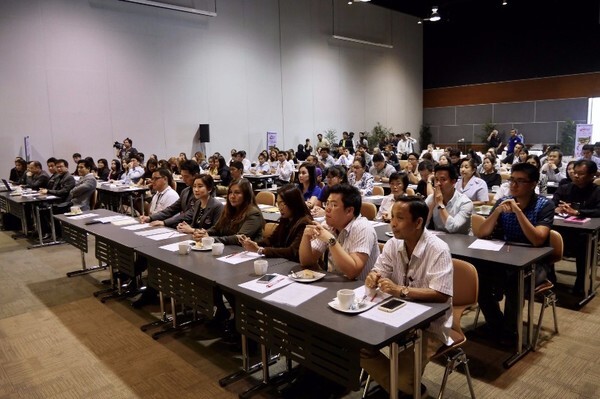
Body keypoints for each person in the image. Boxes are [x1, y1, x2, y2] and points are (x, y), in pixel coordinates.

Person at [361, 197, 453, 397]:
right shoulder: (394, 243)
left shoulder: (438, 249)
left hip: (429, 326)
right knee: (358, 348)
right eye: (392, 216)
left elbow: (441, 294)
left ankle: (408, 391)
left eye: (400, 218)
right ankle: (407, 391)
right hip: (393, 315)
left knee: (402, 379)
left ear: (418, 222)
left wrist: (401, 290)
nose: (393, 223)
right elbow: (380, 269)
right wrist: (373, 276)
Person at [476, 162, 554, 339]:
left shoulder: (544, 205)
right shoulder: (503, 202)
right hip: (507, 259)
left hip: (536, 264)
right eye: (512, 180)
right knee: (479, 278)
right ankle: (495, 323)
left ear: (533, 184)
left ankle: (510, 332)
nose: (513, 185)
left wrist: (518, 212)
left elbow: (537, 240)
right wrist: (496, 213)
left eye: (520, 181)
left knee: (515, 283)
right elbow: (482, 233)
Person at [299, 184, 379, 281]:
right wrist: (306, 236)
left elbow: (352, 272)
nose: (327, 209)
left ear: (349, 210)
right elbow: (307, 262)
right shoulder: (328, 225)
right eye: (327, 203)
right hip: (335, 286)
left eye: (333, 205)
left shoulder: (363, 228)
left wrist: (331, 240)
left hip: (360, 291)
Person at [552, 160, 600, 295]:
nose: (576, 176)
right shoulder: (565, 188)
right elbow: (551, 204)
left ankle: (581, 282)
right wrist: (557, 209)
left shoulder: (597, 191)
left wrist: (578, 212)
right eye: (574, 172)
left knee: (585, 244)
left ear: (591, 176)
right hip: (563, 228)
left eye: (581, 174)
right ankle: (549, 277)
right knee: (546, 237)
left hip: (584, 233)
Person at [239, 184, 312, 262]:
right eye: (278, 203)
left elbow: (292, 252)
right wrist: (253, 244)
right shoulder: (285, 219)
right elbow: (271, 240)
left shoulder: (305, 223)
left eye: (283, 203)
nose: (280, 208)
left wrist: (261, 250)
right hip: (283, 262)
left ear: (293, 202)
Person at [193, 179, 264, 245]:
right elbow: (217, 229)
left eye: (237, 193)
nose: (232, 196)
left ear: (246, 195)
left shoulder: (253, 213)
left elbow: (240, 239)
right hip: (229, 250)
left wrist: (211, 239)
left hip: (246, 252)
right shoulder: (229, 209)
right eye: (230, 192)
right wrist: (204, 233)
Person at [140, 160, 200, 227]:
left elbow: (190, 214)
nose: (183, 179)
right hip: (183, 227)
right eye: (182, 176)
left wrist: (164, 222)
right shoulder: (185, 191)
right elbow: (171, 209)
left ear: (195, 175)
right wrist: (150, 218)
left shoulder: (202, 193)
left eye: (186, 176)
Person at [425, 164, 473, 234]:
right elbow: (422, 225)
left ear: (453, 182)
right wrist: (431, 205)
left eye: (443, 180)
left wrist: (440, 204)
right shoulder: (431, 198)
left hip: (461, 241)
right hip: (439, 240)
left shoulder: (465, 202)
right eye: (436, 179)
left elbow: (452, 228)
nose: (438, 184)